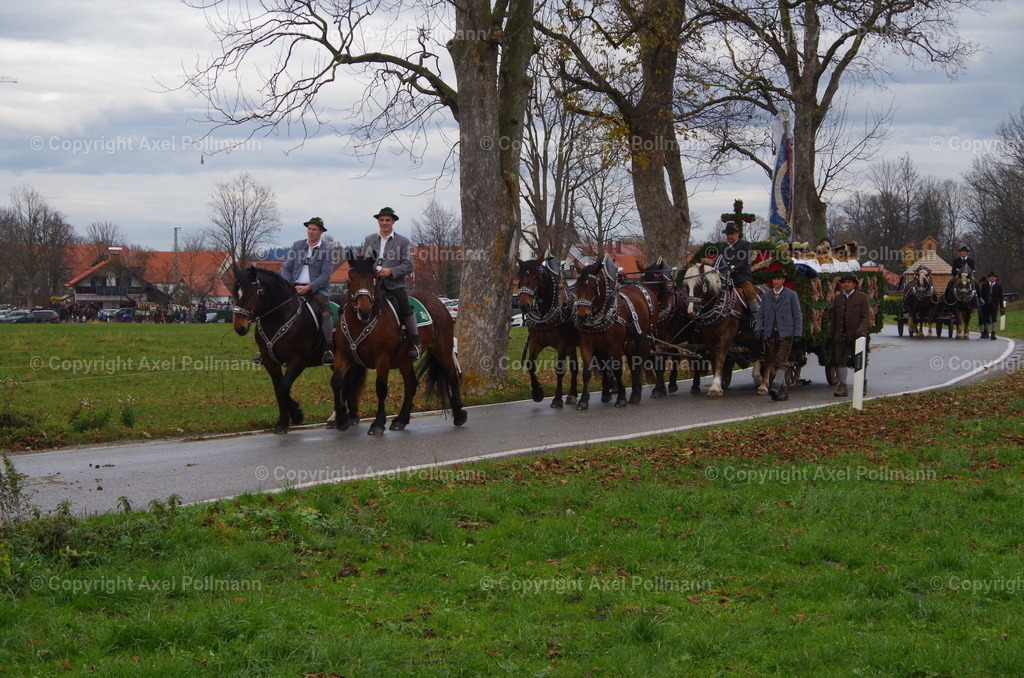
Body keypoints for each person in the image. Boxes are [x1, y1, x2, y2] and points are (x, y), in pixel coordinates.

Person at [362, 207, 420, 359]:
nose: (384, 223)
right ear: (378, 222)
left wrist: (391, 271)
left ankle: (415, 342)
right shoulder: (369, 240)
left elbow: (409, 266)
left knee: (405, 307)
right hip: (371, 285)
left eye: (387, 220)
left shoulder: (403, 241)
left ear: (393, 222)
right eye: (381, 220)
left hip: (393, 285)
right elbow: (363, 263)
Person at [281, 216, 337, 365]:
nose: (311, 232)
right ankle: (266, 348)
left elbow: (325, 276)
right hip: (294, 287)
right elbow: (287, 268)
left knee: (325, 311)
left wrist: (308, 287)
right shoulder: (297, 245)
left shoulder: (327, 250)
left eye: (314, 229)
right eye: (309, 229)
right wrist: (288, 284)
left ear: (321, 232)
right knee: (276, 307)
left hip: (316, 290)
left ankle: (328, 348)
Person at [756, 269, 803, 401]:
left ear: (783, 281)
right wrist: (758, 328)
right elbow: (761, 314)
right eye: (774, 279)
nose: (776, 282)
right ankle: (783, 390)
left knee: (781, 360)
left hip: (786, 333)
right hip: (770, 332)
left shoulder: (791, 295)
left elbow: (797, 315)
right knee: (773, 360)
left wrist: (798, 333)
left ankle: (776, 385)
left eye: (779, 279)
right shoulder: (767, 295)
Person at [829, 272, 872, 397]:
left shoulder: (862, 297)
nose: (846, 284)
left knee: (859, 360)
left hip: (856, 335)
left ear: (854, 284)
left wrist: (859, 331)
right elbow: (834, 319)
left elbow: (866, 317)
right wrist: (832, 335)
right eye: (844, 282)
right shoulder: (838, 298)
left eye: (849, 282)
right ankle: (842, 385)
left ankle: (861, 383)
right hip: (840, 335)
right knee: (840, 360)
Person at [719, 221, 759, 317]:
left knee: (750, 293)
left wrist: (732, 268)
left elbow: (745, 262)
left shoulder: (745, 245)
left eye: (731, 234)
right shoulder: (721, 247)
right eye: (727, 234)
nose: (729, 236)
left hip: (741, 278)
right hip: (724, 279)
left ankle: (756, 319)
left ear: (738, 233)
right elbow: (718, 262)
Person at [979, 271, 1004, 340]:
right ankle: (986, 331)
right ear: (989, 278)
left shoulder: (998, 287)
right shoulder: (984, 286)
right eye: (991, 277)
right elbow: (981, 295)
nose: (993, 278)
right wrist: (981, 303)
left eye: (994, 277)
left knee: (994, 318)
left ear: (995, 278)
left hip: (994, 305)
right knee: (986, 318)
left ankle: (993, 332)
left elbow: (1001, 297)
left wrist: (1001, 306)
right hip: (985, 305)